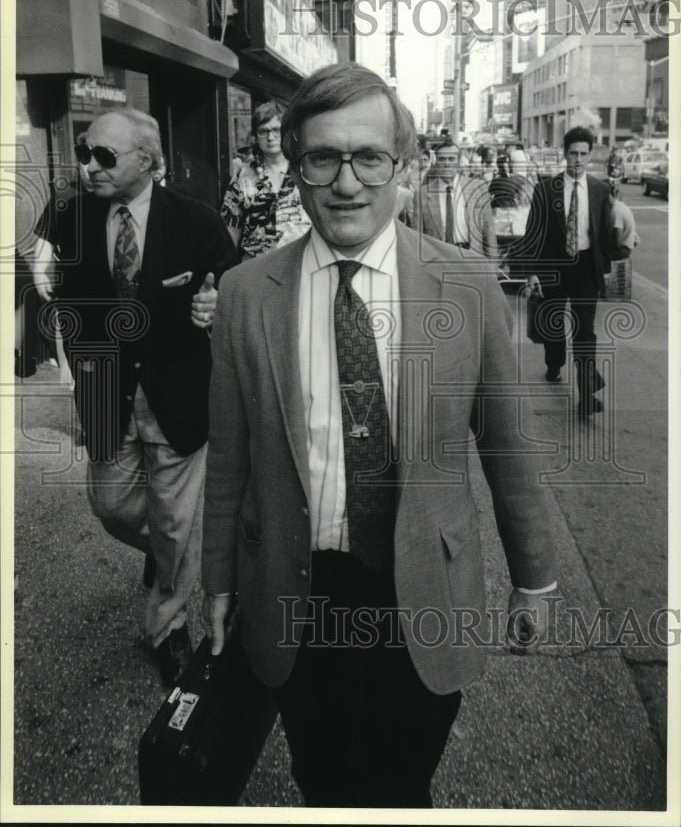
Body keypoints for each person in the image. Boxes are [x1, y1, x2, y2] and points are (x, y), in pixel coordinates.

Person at [201, 63, 556, 809]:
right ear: (294, 168)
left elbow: (506, 446)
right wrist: (218, 583)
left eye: (369, 157)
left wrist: (534, 578)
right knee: (322, 777)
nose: (346, 181)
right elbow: (229, 455)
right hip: (297, 586)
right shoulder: (244, 294)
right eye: (322, 157)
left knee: (401, 779)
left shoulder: (465, 285)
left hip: (422, 583)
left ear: (404, 166)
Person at [48, 108, 237, 685]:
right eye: (85, 151)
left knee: (177, 521)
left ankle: (167, 626)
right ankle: (175, 561)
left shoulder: (197, 222)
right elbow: (66, 299)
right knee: (111, 504)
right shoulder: (72, 220)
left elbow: (233, 286)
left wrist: (214, 307)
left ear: (148, 162)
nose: (89, 166)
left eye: (104, 156)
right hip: (108, 392)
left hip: (177, 398)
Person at [518, 126, 613, 416]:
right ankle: (553, 363)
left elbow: (605, 235)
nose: (578, 160)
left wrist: (608, 270)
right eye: (573, 153)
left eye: (584, 154)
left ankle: (586, 395)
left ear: (590, 155)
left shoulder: (599, 190)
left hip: (585, 269)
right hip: (553, 269)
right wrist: (531, 273)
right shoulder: (546, 189)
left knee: (585, 333)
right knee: (554, 328)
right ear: (564, 154)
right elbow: (532, 232)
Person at [220, 101, 311, 259]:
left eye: (276, 130)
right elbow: (231, 229)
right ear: (255, 136)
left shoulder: (305, 170)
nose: (270, 137)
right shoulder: (242, 176)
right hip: (255, 267)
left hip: (300, 261)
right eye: (263, 131)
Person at [414, 140, 498, 263]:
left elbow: (489, 229)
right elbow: (417, 237)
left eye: (451, 159)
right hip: (437, 263)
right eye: (442, 159)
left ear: (459, 162)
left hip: (472, 260)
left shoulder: (478, 188)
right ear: (436, 163)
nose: (447, 163)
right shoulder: (422, 194)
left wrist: (493, 268)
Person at [608, 182, 639, 259]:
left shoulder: (616, 210)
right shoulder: (620, 205)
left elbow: (618, 234)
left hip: (622, 249)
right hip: (628, 245)